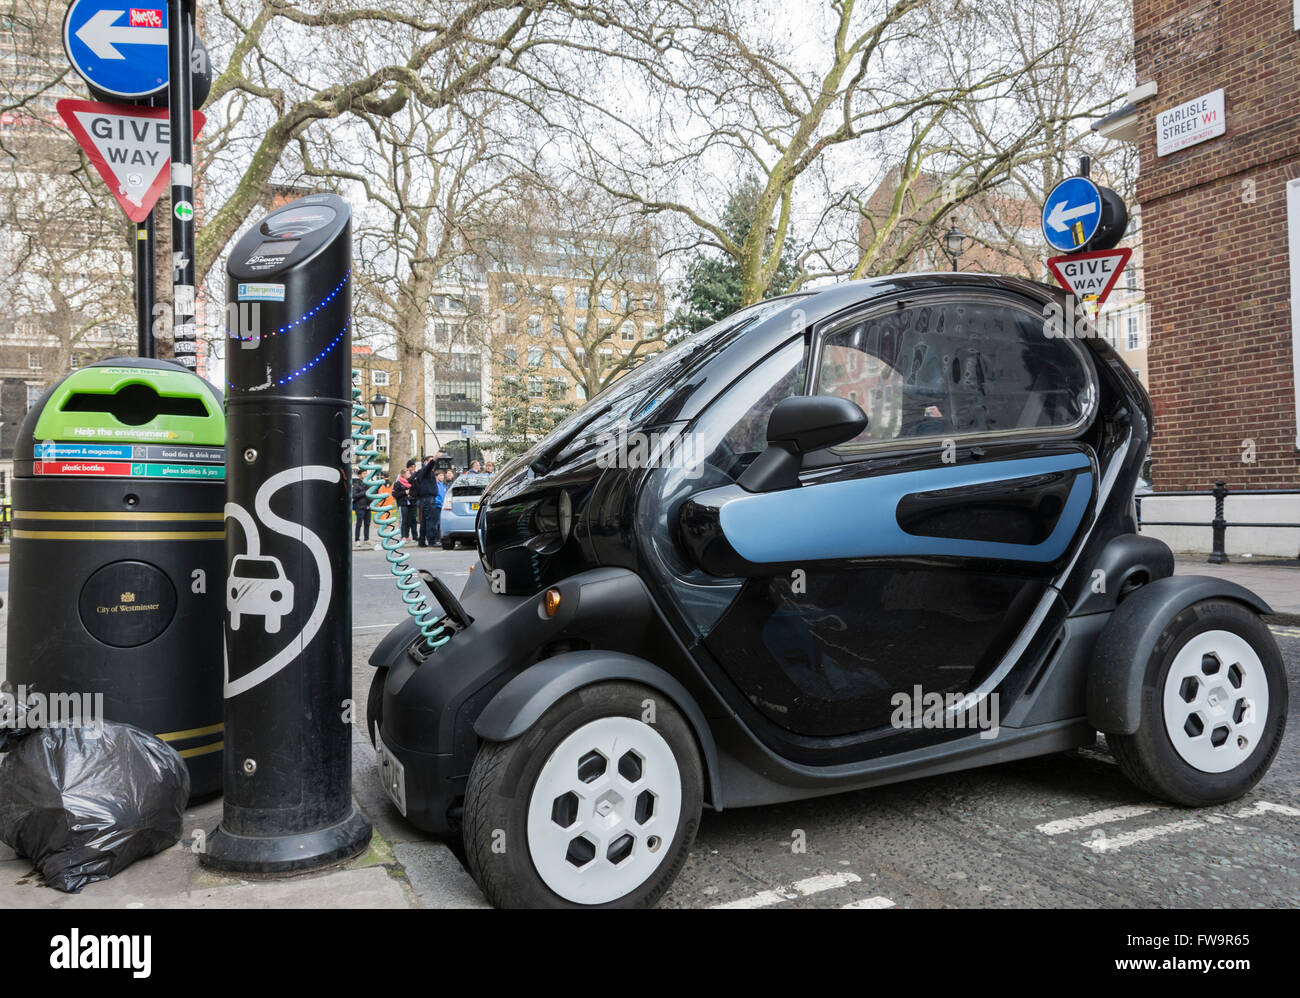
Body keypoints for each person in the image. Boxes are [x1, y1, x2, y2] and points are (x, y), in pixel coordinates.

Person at [415, 455, 441, 547]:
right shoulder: (425, 470)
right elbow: (429, 466)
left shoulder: (426, 472)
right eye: (429, 461)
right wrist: (434, 459)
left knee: (424, 521)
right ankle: (432, 540)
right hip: (428, 499)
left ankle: (422, 541)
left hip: (426, 499)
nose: (432, 464)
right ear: (425, 462)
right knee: (431, 520)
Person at [394, 460, 417, 541]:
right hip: (402, 503)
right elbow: (395, 494)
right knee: (403, 520)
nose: (409, 475)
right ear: (403, 475)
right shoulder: (398, 483)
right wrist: (404, 492)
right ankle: (402, 535)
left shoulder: (409, 483)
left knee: (408, 520)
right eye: (407, 474)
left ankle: (407, 536)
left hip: (409, 503)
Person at [351, 475, 370, 546]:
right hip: (359, 507)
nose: (365, 475)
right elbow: (354, 495)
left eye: (366, 473)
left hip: (368, 507)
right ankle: (357, 540)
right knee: (359, 524)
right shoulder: (356, 484)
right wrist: (365, 492)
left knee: (367, 524)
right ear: (360, 475)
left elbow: (372, 493)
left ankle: (366, 539)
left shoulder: (368, 484)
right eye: (364, 473)